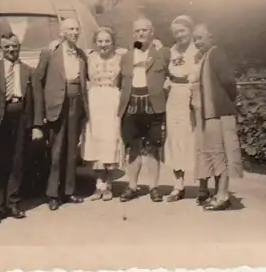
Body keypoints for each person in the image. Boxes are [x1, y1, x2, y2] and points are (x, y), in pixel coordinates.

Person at [0, 31, 44, 227]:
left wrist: (37, 125)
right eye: (7, 47)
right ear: (1, 48)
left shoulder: (28, 71)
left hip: (21, 120)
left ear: (19, 46)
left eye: (14, 46)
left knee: (17, 164)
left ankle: (13, 204)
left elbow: (37, 100)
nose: (11, 49)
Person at [189, 23, 244, 211]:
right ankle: (220, 193)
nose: (197, 42)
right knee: (216, 154)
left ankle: (223, 196)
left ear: (211, 37)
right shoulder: (205, 57)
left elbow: (229, 81)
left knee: (223, 154)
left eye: (200, 38)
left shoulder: (216, 53)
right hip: (210, 114)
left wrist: (224, 100)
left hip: (219, 113)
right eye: (195, 38)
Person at [35, 18, 88, 211]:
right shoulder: (49, 52)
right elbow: (37, 82)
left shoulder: (81, 54)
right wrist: (40, 113)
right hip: (56, 106)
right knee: (56, 152)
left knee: (72, 151)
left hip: (76, 105)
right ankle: (52, 194)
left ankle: (69, 190)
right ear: (62, 32)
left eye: (76, 28)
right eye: (70, 29)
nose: (74, 32)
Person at [117, 17, 170, 203]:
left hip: (153, 106)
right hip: (131, 105)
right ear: (133, 34)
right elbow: (119, 83)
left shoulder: (163, 53)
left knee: (153, 148)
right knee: (133, 148)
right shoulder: (126, 57)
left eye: (145, 30)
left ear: (152, 32)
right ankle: (132, 186)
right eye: (138, 30)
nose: (141, 33)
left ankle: (154, 187)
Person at [82, 27, 126, 201]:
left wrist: (155, 43)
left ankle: (108, 185)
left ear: (113, 42)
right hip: (95, 100)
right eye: (100, 41)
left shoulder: (121, 56)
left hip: (112, 100)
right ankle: (98, 185)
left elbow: (139, 50)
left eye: (107, 41)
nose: (103, 44)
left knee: (110, 141)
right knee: (96, 142)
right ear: (95, 42)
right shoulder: (89, 57)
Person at [163, 15, 198, 202]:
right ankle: (178, 185)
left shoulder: (197, 50)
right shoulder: (171, 50)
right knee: (175, 138)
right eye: (175, 32)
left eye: (182, 31)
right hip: (174, 97)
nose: (178, 35)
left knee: (193, 138)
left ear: (190, 30)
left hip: (192, 96)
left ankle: (202, 186)